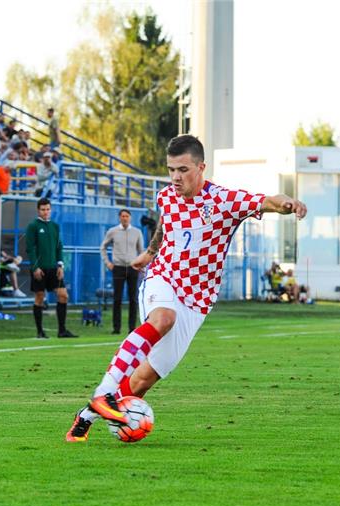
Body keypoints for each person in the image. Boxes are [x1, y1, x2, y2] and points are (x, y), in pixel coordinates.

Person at [65, 134, 307, 441]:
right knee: (163, 318)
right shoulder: (166, 196)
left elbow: (264, 201)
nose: (175, 177)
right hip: (163, 279)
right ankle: (104, 393)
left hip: (197, 301)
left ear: (201, 167)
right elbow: (166, 226)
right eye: (171, 170)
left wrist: (286, 203)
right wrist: (149, 255)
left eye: (182, 169)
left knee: (143, 379)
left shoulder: (222, 200)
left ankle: (84, 417)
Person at [25, 197, 77, 339]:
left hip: (54, 268)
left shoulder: (55, 226)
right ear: (38, 210)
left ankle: (62, 331)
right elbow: (30, 248)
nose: (46, 212)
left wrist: (60, 264)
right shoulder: (33, 226)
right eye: (43, 209)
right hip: (39, 269)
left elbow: (59, 246)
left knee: (63, 295)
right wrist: (35, 267)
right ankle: (40, 332)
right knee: (40, 297)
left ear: (51, 209)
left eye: (48, 209)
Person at [100, 209, 144, 334]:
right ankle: (116, 328)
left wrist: (141, 265)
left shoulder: (137, 232)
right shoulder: (113, 231)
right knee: (117, 298)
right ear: (119, 218)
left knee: (133, 299)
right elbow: (103, 247)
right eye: (123, 216)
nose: (125, 218)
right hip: (118, 267)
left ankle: (132, 328)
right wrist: (107, 262)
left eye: (127, 216)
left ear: (130, 218)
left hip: (132, 267)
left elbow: (141, 250)